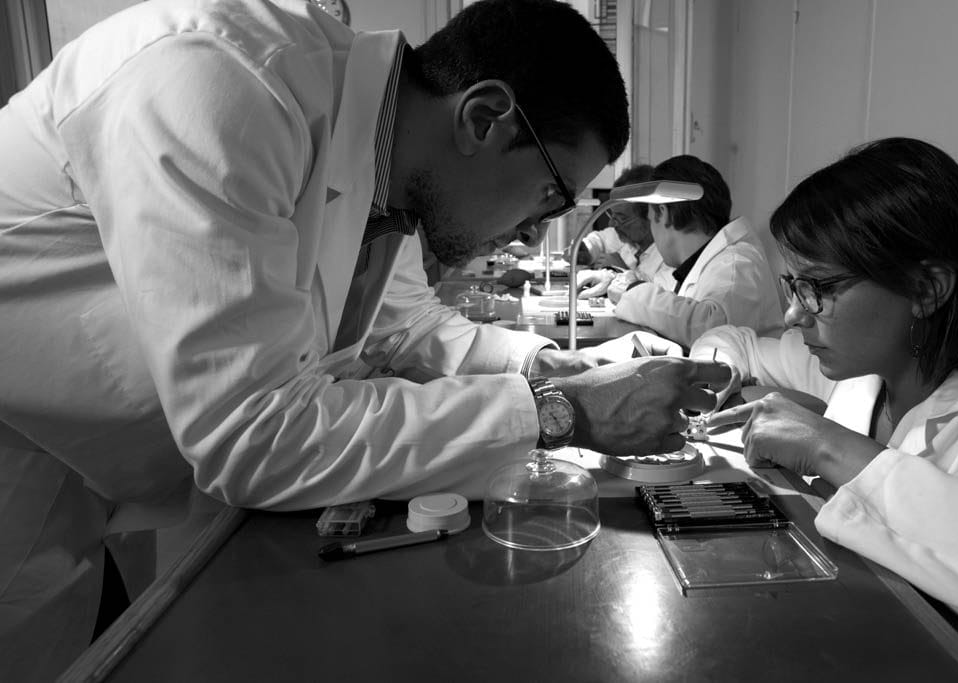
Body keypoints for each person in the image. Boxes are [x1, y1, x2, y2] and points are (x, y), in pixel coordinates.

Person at [0, 0, 730, 678]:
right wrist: (561, 412)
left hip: (101, 454)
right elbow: (255, 433)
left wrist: (553, 365)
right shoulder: (223, 88)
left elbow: (408, 326)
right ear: (484, 119)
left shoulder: (391, 174)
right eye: (549, 196)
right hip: (20, 443)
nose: (535, 235)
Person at [693, 137, 958, 657]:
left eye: (819, 288)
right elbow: (732, 341)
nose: (793, 315)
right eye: (794, 286)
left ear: (927, 288)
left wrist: (828, 445)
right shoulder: (858, 369)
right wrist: (717, 377)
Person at [611, 154, 784, 348]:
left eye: (651, 219)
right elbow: (669, 298)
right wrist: (620, 281)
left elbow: (711, 328)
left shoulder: (736, 265)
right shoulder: (704, 261)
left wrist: (632, 290)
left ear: (663, 213)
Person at [573, 164, 678, 297]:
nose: (612, 223)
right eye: (612, 215)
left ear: (651, 216)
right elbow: (601, 239)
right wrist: (586, 249)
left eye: (621, 218)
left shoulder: (669, 258)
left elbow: (658, 299)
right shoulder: (629, 238)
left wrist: (621, 271)